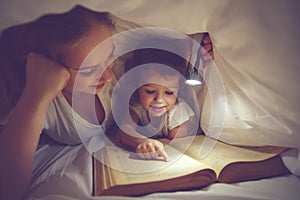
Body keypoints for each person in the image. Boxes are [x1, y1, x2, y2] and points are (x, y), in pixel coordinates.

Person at [0, 5, 116, 200]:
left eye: (111, 54)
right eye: (88, 70)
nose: (109, 76)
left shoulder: (110, 76)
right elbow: (7, 189)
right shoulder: (46, 105)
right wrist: (36, 96)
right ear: (44, 66)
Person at [116, 44, 197, 162]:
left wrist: (150, 144)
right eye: (150, 91)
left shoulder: (179, 110)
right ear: (137, 86)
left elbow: (176, 144)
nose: (159, 100)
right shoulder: (138, 105)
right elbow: (124, 129)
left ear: (179, 89)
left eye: (169, 92)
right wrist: (142, 141)